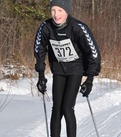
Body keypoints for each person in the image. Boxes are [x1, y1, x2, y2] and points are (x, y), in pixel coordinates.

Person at [33, 0, 101, 137]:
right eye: (53, 10)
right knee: (56, 109)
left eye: (60, 11)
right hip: (59, 69)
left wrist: (89, 79)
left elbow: (92, 52)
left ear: (67, 11)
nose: (56, 15)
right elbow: (39, 50)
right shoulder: (46, 27)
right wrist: (41, 75)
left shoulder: (77, 27)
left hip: (75, 69)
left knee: (67, 108)